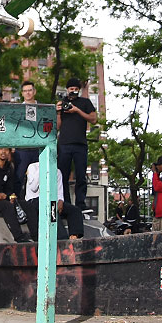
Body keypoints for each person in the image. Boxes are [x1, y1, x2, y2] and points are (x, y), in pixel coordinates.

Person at [55, 78, 97, 233]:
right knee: (62, 176)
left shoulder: (85, 102)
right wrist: (59, 111)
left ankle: (80, 203)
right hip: (64, 144)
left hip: (80, 144)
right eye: (70, 88)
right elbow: (57, 127)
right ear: (66, 90)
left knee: (81, 175)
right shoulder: (62, 103)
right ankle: (64, 202)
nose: (72, 90)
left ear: (78, 90)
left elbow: (94, 119)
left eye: (75, 88)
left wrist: (77, 111)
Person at [24, 159, 82, 241]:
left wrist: (61, 201)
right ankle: (61, 238)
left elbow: (59, 191)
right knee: (52, 207)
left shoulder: (57, 171)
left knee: (75, 210)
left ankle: (74, 236)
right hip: (34, 200)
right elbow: (33, 187)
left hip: (51, 201)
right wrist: (42, 168)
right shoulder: (33, 167)